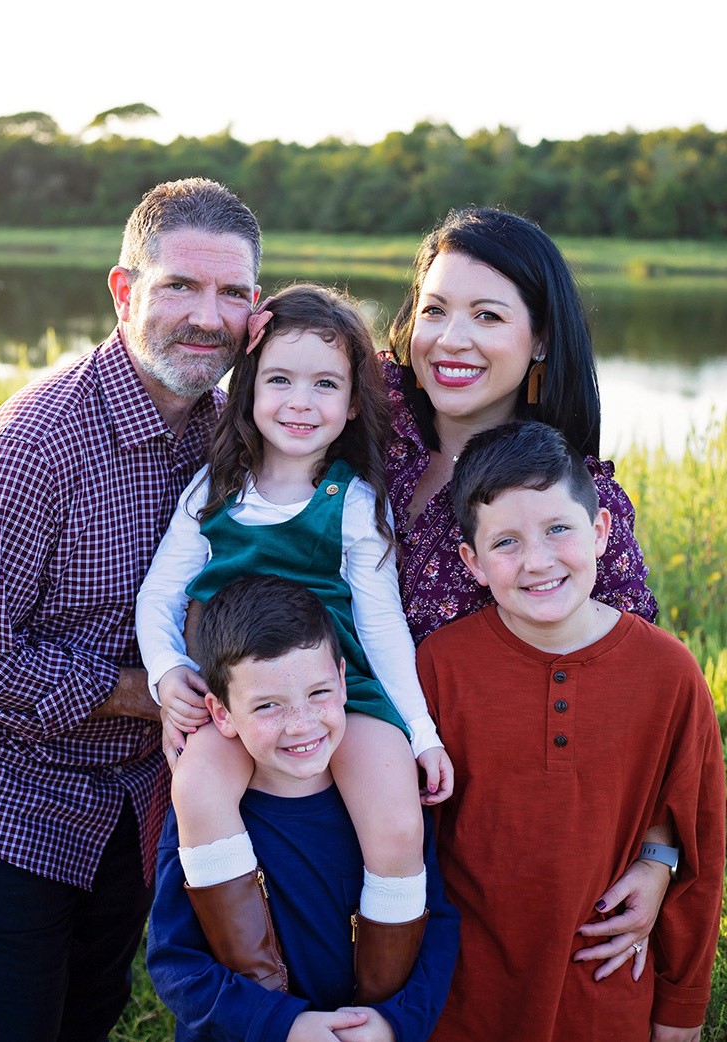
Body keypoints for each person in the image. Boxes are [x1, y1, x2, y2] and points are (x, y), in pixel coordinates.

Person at [0, 176, 262, 1042]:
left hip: (135, 801)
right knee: (6, 1029)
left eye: (231, 293)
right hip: (7, 803)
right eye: (180, 285)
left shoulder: (230, 433)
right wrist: (147, 691)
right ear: (125, 290)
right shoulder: (35, 442)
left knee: (89, 1017)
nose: (205, 315)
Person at [136, 282, 454, 998]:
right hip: (242, 704)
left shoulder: (351, 502)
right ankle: (265, 987)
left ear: (350, 404)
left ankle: (374, 1004)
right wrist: (166, 674)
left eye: (325, 384)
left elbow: (381, 627)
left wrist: (421, 731)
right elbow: (160, 596)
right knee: (198, 786)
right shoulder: (214, 490)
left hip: (346, 692)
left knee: (398, 820)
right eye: (279, 379)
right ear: (248, 389)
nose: (300, 402)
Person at [381, 205, 672, 974]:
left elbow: (644, 702)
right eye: (435, 310)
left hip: (492, 851)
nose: (453, 339)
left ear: (539, 338)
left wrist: (657, 856)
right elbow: (275, 372)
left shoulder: (572, 509)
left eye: (488, 315)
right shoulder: (362, 434)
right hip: (335, 796)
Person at [416, 419, 725, 1042]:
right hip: (462, 1000)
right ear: (472, 564)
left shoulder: (668, 673)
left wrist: (681, 1011)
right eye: (506, 542)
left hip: (604, 995)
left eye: (559, 529)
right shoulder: (440, 666)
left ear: (602, 531)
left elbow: (699, 845)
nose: (537, 561)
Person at [147, 574, 460, 1041]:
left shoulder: (384, 802)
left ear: (341, 679)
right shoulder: (206, 816)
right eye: (268, 706)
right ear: (221, 714)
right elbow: (176, 963)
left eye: (318, 694)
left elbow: (437, 926)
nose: (301, 725)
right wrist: (282, 1025)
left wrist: (394, 1023)